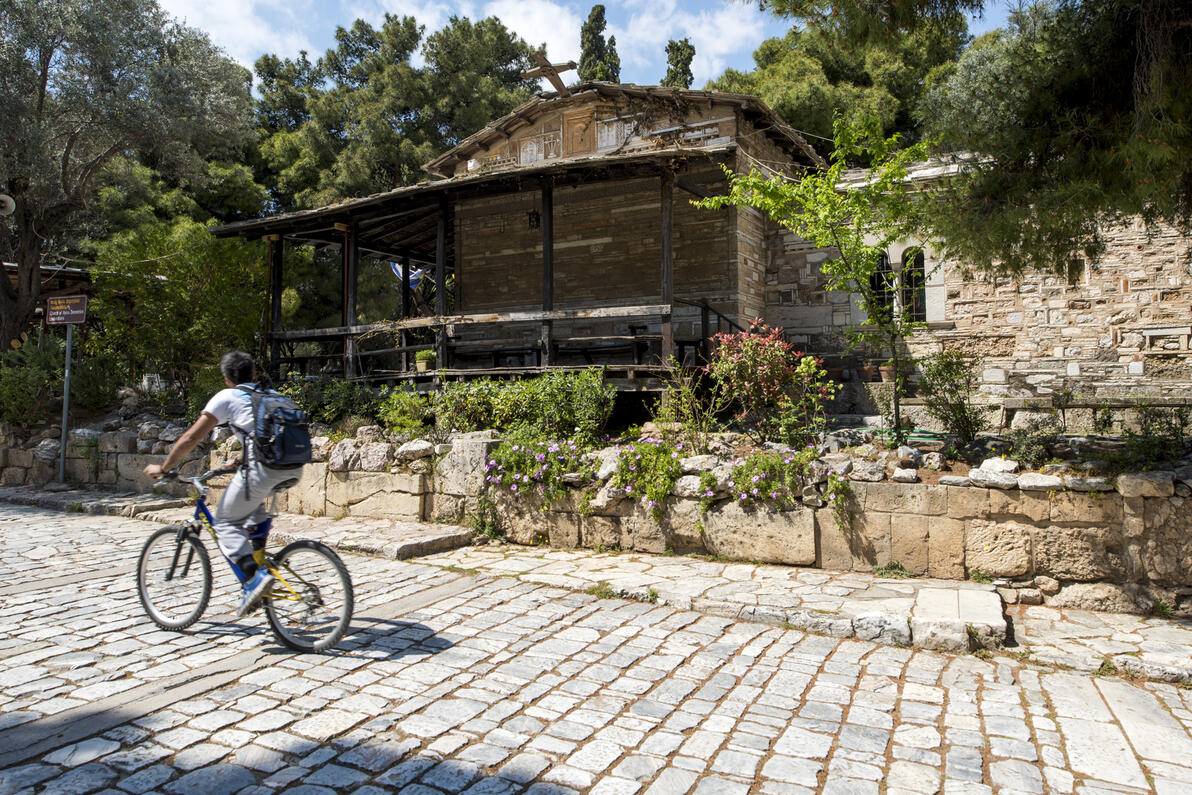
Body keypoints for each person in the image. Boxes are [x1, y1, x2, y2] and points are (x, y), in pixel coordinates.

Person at [144, 351, 302, 616]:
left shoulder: (227, 396)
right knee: (251, 511)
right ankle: (261, 560)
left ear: (227, 378)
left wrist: (163, 468)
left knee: (226, 522)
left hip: (262, 471)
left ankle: (254, 580)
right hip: (294, 468)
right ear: (252, 374)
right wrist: (239, 460)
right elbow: (265, 436)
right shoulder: (270, 395)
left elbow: (191, 438)